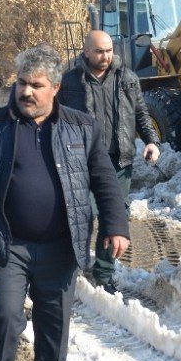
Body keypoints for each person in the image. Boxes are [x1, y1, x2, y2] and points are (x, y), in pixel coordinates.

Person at [0, 44, 130, 361]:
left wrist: (116, 226)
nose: (26, 91)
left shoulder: (82, 127)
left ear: (55, 88)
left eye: (36, 84)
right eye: (21, 83)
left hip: (61, 245)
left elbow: (104, 180)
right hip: (8, 242)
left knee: (54, 320)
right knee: (5, 314)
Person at [57, 30, 160, 292]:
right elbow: (56, 120)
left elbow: (141, 112)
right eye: (99, 51)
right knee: (81, 214)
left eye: (109, 50)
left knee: (113, 216)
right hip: (81, 161)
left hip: (119, 160)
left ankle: (103, 273)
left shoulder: (127, 78)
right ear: (86, 52)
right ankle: (70, 265)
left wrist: (150, 141)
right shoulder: (69, 82)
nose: (105, 56)